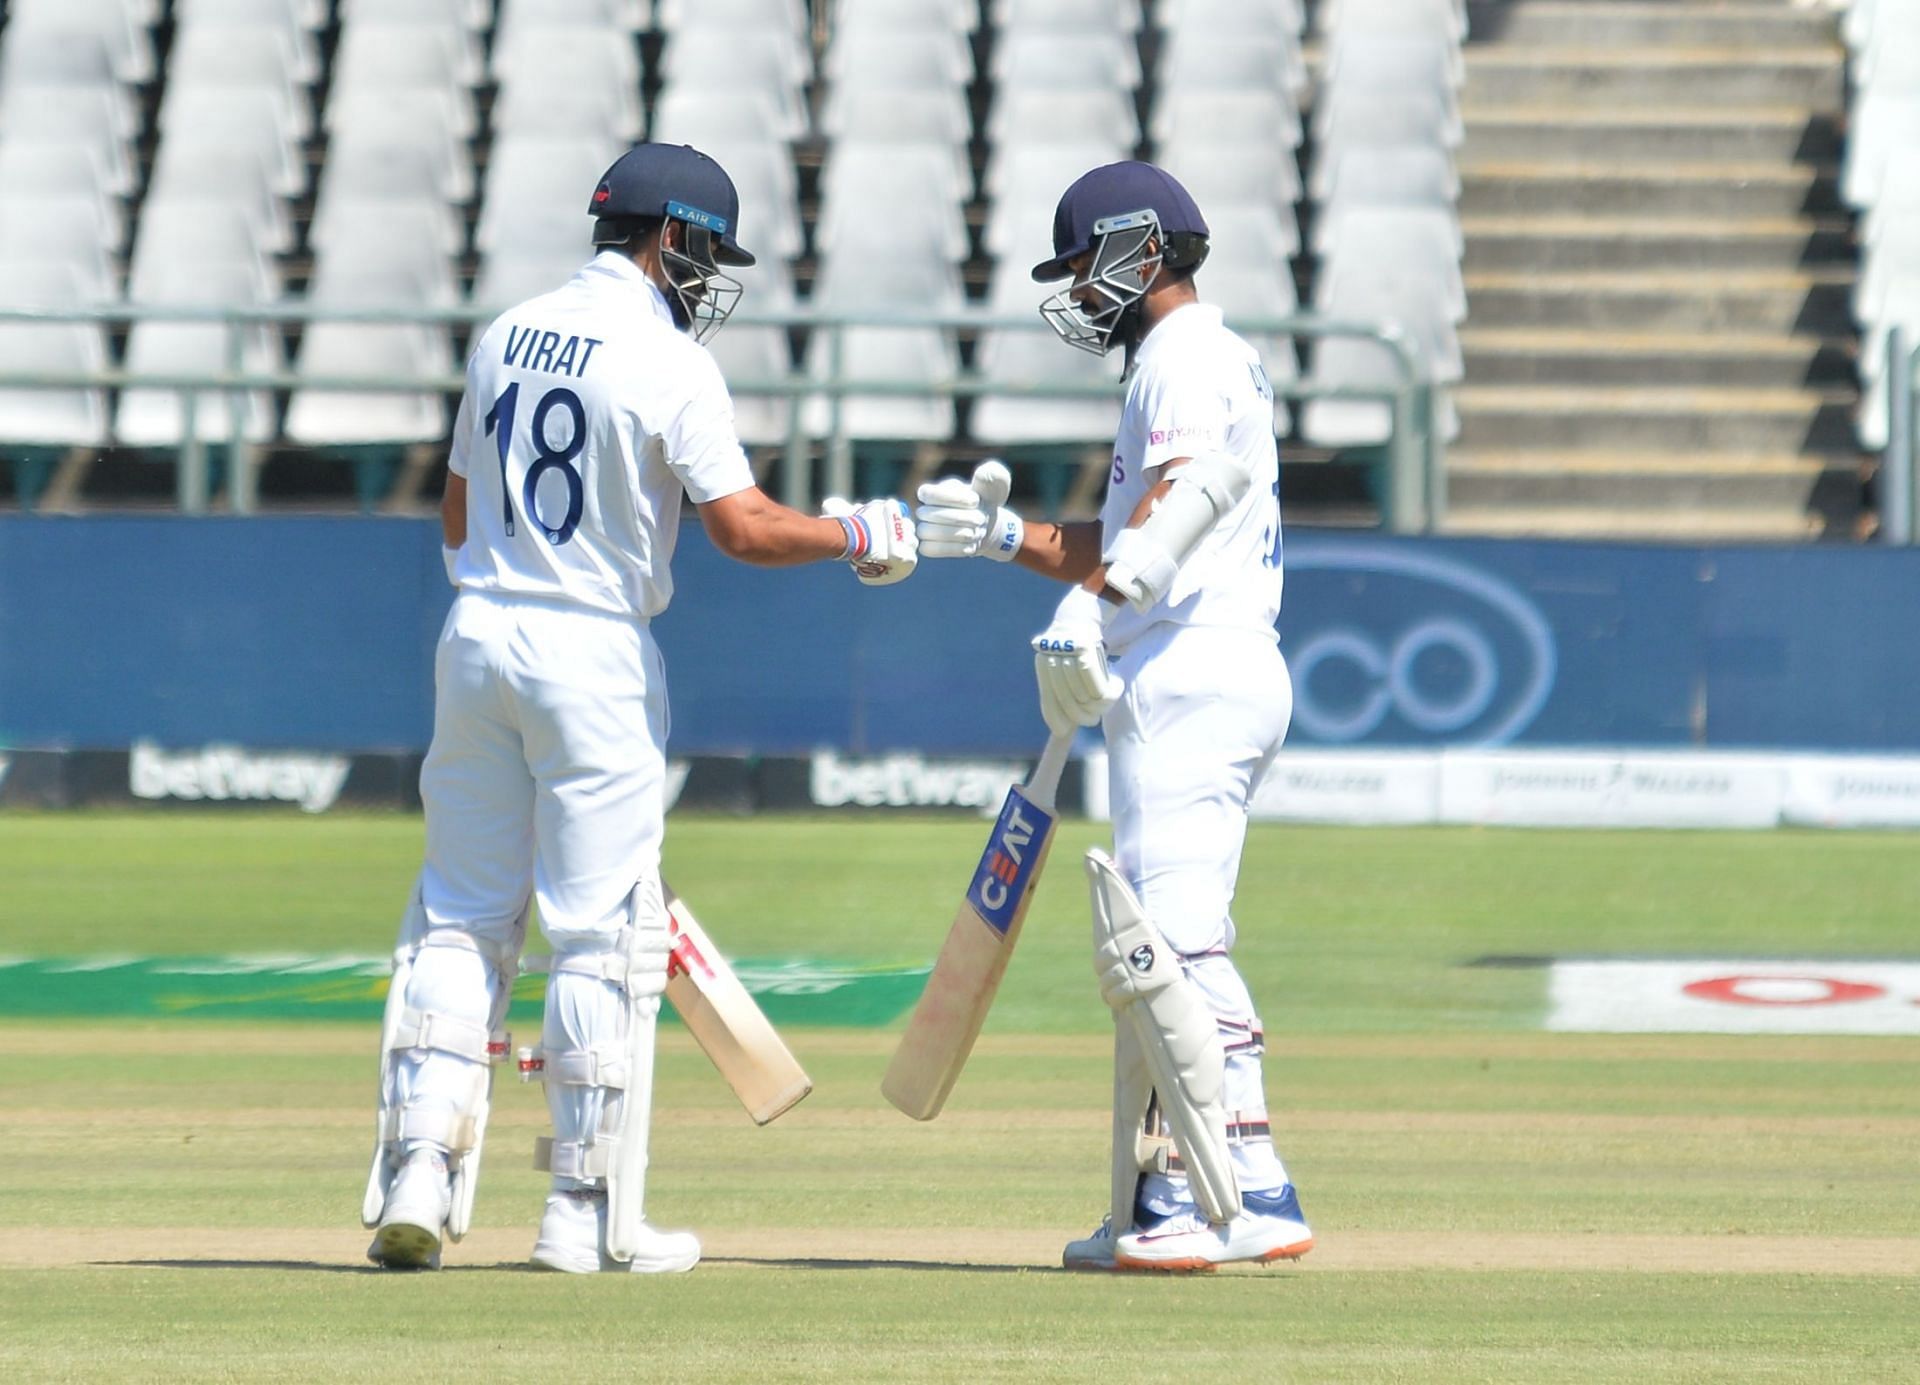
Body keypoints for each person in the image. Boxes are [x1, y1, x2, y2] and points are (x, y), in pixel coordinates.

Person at [361, 143, 916, 1274]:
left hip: (475, 638)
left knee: (463, 915)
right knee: (602, 934)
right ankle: (581, 1211)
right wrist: (861, 533)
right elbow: (746, 528)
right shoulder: (669, 362)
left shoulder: (505, 331)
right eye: (706, 252)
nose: (709, 278)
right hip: (593, 654)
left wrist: (506, 592)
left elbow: (457, 515)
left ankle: (421, 1166)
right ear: (671, 238)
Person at [913, 161, 1311, 1272]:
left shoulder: (1183, 359)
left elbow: (1172, 510)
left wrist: (1096, 609)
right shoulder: (1192, 360)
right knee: (1157, 944)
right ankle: (1173, 1192)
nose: (1078, 291)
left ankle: (1231, 1193)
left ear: (1139, 249)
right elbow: (1124, 534)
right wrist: (1006, 543)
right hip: (1194, 659)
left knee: (1171, 947)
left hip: (1191, 663)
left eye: (1086, 265)